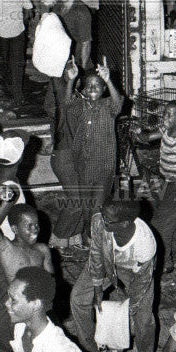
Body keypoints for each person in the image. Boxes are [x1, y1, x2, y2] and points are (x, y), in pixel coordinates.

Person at [69, 199, 158, 352]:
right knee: (78, 299)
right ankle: (93, 347)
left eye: (108, 220)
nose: (102, 220)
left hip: (135, 271)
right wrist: (97, 285)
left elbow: (141, 283)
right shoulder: (100, 221)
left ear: (125, 223)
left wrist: (128, 312)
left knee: (144, 320)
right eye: (102, 214)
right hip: (108, 261)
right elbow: (96, 253)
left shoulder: (145, 244)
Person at [50, 62, 123, 250]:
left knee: (98, 206)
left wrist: (109, 80)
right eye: (88, 85)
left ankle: (94, 240)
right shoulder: (80, 107)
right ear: (82, 89)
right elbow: (66, 104)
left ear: (104, 89)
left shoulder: (108, 106)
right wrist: (71, 80)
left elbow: (119, 103)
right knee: (85, 206)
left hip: (104, 168)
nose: (92, 88)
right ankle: (86, 237)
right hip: (84, 168)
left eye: (97, 85)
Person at [0, 195, 53, 352]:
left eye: (36, 225)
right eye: (28, 226)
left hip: (36, 300)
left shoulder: (42, 250)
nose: (35, 229)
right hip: (16, 301)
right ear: (14, 229)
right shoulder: (6, 248)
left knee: (40, 336)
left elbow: (50, 278)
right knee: (8, 328)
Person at [135, 100, 176, 273]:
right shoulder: (167, 129)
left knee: (160, 225)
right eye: (164, 113)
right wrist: (139, 133)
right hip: (169, 182)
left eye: (169, 114)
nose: (164, 117)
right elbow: (147, 137)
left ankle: (164, 262)